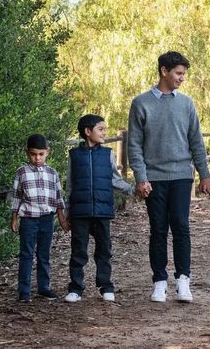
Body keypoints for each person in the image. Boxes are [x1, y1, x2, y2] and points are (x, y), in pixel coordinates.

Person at [127, 51, 210, 303]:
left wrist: (205, 175)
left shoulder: (186, 104)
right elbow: (134, 145)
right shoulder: (141, 103)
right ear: (164, 71)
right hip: (153, 178)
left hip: (180, 176)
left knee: (181, 226)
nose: (182, 78)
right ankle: (159, 281)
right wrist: (141, 178)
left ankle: (183, 280)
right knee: (157, 229)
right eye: (178, 73)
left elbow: (196, 142)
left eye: (184, 74)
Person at [64, 114, 135, 303]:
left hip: (102, 212)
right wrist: (67, 212)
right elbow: (70, 185)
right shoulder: (74, 155)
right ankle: (76, 288)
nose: (104, 132)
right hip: (80, 213)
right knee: (78, 251)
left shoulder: (108, 154)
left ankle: (106, 287)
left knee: (104, 250)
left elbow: (114, 179)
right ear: (88, 132)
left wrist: (132, 190)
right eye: (101, 129)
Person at [11, 134, 68, 303]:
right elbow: (16, 197)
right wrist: (14, 218)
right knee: (26, 254)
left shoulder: (52, 173)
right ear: (27, 153)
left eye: (41, 154)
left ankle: (44, 287)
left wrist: (62, 219)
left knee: (44, 254)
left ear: (47, 152)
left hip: (47, 219)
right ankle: (24, 291)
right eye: (33, 154)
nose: (37, 158)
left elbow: (58, 198)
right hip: (28, 220)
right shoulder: (21, 172)